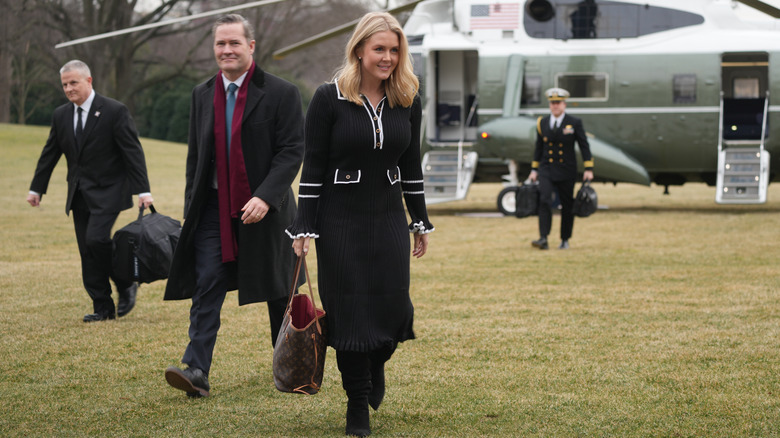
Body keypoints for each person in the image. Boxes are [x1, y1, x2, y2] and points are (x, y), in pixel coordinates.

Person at [286, 11, 433, 437]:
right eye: (379, 49)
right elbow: (311, 168)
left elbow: (411, 165)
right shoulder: (328, 98)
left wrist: (419, 219)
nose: (387, 57)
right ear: (359, 50)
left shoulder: (408, 97)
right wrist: (304, 228)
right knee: (350, 318)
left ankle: (376, 361)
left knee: (392, 312)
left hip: (387, 219)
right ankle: (357, 409)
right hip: (339, 225)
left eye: (393, 49)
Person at [162, 14, 304, 398]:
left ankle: (290, 367)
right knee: (207, 282)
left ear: (251, 47)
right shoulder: (201, 94)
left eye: (234, 43)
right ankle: (196, 370)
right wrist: (191, 206)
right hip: (212, 209)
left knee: (278, 289)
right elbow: (197, 156)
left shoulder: (281, 93)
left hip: (266, 209)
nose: (226, 50)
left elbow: (292, 151)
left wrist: (265, 196)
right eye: (220, 44)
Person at [27, 60, 153, 322]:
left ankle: (125, 281)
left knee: (96, 240)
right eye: (64, 85)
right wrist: (37, 188)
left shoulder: (114, 111)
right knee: (87, 250)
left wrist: (143, 191)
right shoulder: (61, 115)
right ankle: (103, 307)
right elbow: (50, 153)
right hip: (79, 193)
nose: (69, 89)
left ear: (89, 81)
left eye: (73, 82)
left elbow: (133, 152)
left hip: (109, 191)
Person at [529, 87, 594, 250]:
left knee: (567, 205)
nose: (555, 106)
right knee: (544, 200)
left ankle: (565, 238)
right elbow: (539, 147)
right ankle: (543, 237)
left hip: (566, 169)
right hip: (547, 168)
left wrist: (588, 167)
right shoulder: (542, 123)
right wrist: (534, 169)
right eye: (552, 103)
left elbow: (584, 145)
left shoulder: (574, 122)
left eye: (558, 103)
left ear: (564, 105)